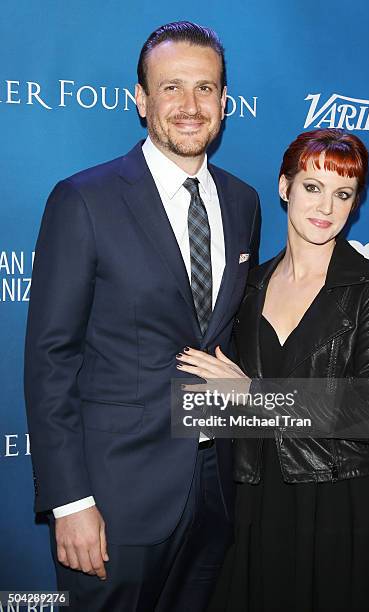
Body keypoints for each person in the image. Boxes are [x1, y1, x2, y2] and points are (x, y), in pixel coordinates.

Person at [24, 21, 261, 612]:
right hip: (114, 498)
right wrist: (70, 502)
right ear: (141, 99)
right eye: (171, 87)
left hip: (214, 492)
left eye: (205, 89)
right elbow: (50, 360)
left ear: (224, 103)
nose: (189, 106)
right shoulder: (84, 199)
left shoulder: (243, 201)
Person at [176, 129, 369, 612]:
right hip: (256, 502)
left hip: (345, 503)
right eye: (313, 187)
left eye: (343, 194)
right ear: (285, 186)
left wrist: (254, 394)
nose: (326, 207)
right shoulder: (246, 287)